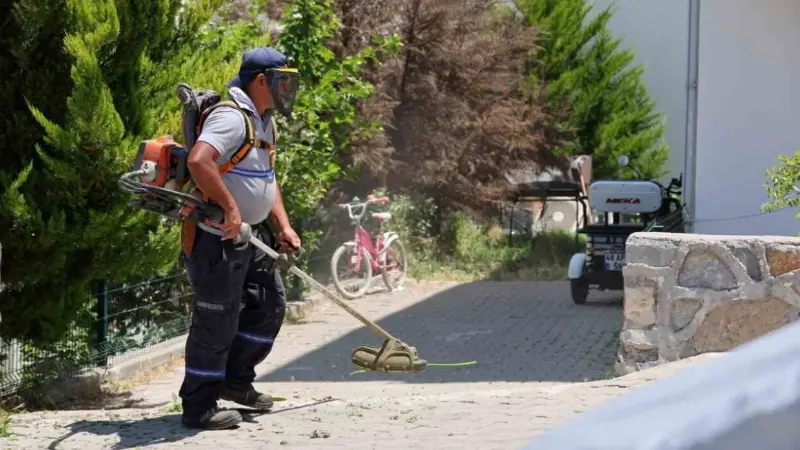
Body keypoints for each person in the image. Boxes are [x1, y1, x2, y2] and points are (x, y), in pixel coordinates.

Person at [179, 47, 302, 430]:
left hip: (251, 237)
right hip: (215, 238)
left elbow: (266, 177)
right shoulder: (233, 118)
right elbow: (199, 161)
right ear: (261, 80)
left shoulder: (264, 121)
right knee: (216, 319)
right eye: (283, 79)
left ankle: (235, 381)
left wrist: (282, 224)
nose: (288, 87)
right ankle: (198, 405)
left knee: (269, 305)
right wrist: (231, 209)